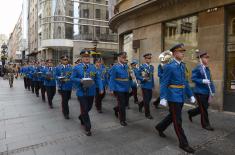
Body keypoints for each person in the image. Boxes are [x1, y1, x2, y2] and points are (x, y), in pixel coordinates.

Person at [155, 43, 196, 153]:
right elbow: (164, 83)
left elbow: (185, 82)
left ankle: (160, 127)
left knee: (172, 116)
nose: (183, 53)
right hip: (173, 97)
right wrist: (163, 98)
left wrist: (190, 94)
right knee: (178, 121)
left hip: (181, 95)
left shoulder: (182, 65)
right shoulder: (169, 66)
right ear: (174, 53)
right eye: (180, 51)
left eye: (183, 51)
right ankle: (183, 144)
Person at [71, 51, 103, 136]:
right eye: (85, 56)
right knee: (85, 108)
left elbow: (98, 78)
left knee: (89, 107)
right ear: (81, 58)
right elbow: (72, 78)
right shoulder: (77, 67)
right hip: (81, 92)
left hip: (91, 91)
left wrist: (101, 88)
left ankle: (81, 116)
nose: (87, 58)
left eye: (88, 56)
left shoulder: (93, 67)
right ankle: (88, 128)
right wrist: (80, 80)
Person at [187, 50, 215, 131]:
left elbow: (211, 80)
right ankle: (205, 124)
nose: (207, 59)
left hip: (206, 91)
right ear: (201, 58)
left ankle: (191, 113)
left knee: (204, 107)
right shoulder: (198, 68)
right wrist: (202, 81)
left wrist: (213, 91)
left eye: (208, 57)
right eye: (206, 57)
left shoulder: (207, 68)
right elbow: (193, 78)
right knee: (204, 110)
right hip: (199, 92)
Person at [109, 52, 131, 126]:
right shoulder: (115, 67)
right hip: (118, 88)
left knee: (125, 104)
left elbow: (128, 78)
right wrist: (112, 89)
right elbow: (112, 78)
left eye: (125, 57)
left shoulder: (127, 66)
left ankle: (116, 109)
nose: (125, 58)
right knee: (122, 104)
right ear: (119, 58)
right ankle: (122, 120)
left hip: (126, 88)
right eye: (123, 57)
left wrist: (130, 86)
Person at [137, 53, 154, 119]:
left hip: (150, 85)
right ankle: (147, 114)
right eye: (147, 58)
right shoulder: (141, 66)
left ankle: (140, 104)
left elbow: (151, 77)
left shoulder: (152, 67)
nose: (149, 59)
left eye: (150, 58)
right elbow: (138, 75)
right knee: (146, 100)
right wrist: (143, 78)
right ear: (145, 59)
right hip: (144, 85)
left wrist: (152, 84)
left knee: (149, 98)